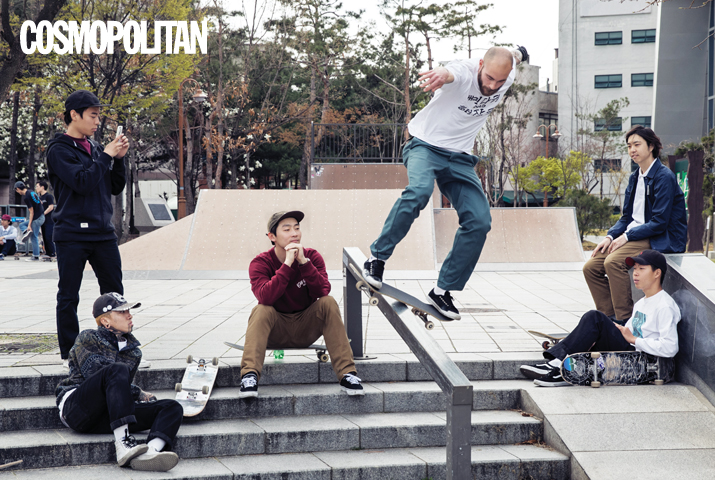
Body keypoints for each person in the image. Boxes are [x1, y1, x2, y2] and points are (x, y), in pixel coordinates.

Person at [362, 46, 529, 320]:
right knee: (419, 192)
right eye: (489, 78)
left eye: (500, 81)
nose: (492, 86)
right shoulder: (464, 71)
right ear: (480, 65)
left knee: (479, 221)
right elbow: (451, 72)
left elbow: (516, 54)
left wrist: (520, 52)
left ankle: (441, 291)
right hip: (424, 146)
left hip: (460, 158)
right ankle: (376, 258)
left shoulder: (507, 74)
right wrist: (441, 74)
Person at [239, 210, 364, 398]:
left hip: (307, 328)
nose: (294, 233)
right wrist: (287, 265)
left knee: (328, 303)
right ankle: (249, 376)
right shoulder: (261, 262)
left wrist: (304, 263)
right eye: (287, 229)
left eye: (297, 228)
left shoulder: (312, 257)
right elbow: (265, 297)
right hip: (275, 331)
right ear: (272, 237)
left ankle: (347, 374)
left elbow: (323, 291)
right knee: (261, 309)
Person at [46, 89, 129, 368]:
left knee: (115, 294)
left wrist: (119, 159)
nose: (97, 121)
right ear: (74, 115)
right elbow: (82, 182)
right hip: (71, 233)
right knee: (69, 295)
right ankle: (70, 355)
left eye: (98, 116)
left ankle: (120, 349)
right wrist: (106, 156)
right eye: (92, 116)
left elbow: (114, 186)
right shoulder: (58, 150)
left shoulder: (95, 148)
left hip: (103, 233)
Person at [55, 293, 182, 471]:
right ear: (105, 322)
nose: (129, 315)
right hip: (77, 410)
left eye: (129, 311)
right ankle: (123, 443)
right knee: (117, 369)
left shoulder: (134, 352)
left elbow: (120, 391)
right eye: (122, 312)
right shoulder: (88, 337)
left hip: (107, 416)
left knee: (172, 407)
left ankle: (150, 453)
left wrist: (134, 397)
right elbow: (94, 372)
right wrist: (138, 393)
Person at [520, 250, 680, 387]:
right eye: (635, 268)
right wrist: (619, 330)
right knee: (594, 326)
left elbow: (670, 347)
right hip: (630, 352)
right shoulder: (641, 303)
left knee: (595, 317)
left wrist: (634, 339)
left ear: (657, 273)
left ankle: (559, 365)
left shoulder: (664, 305)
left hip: (642, 362)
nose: (635, 273)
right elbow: (630, 332)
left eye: (642, 269)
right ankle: (562, 367)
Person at [583, 126, 687, 323]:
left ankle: (625, 322)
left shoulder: (663, 177)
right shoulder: (635, 177)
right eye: (629, 146)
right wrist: (610, 236)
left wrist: (627, 237)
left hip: (659, 236)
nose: (632, 150)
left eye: (637, 144)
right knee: (591, 267)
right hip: (636, 234)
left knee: (613, 262)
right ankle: (609, 319)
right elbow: (626, 217)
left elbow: (659, 222)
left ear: (651, 146)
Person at [15, 181, 45, 261]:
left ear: (18, 189)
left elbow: (31, 212)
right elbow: (40, 202)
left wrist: (29, 225)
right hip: (41, 216)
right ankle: (26, 232)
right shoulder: (32, 192)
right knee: (22, 225)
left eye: (17, 191)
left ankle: (35, 256)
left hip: (37, 218)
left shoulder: (26, 197)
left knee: (33, 237)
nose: (18, 192)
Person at [35, 180, 56, 258]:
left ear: (42, 187)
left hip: (49, 220)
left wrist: (42, 214)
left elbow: (51, 207)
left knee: (48, 236)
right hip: (42, 220)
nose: (36, 188)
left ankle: (52, 253)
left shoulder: (48, 196)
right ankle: (47, 253)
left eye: (37, 186)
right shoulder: (39, 197)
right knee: (44, 236)